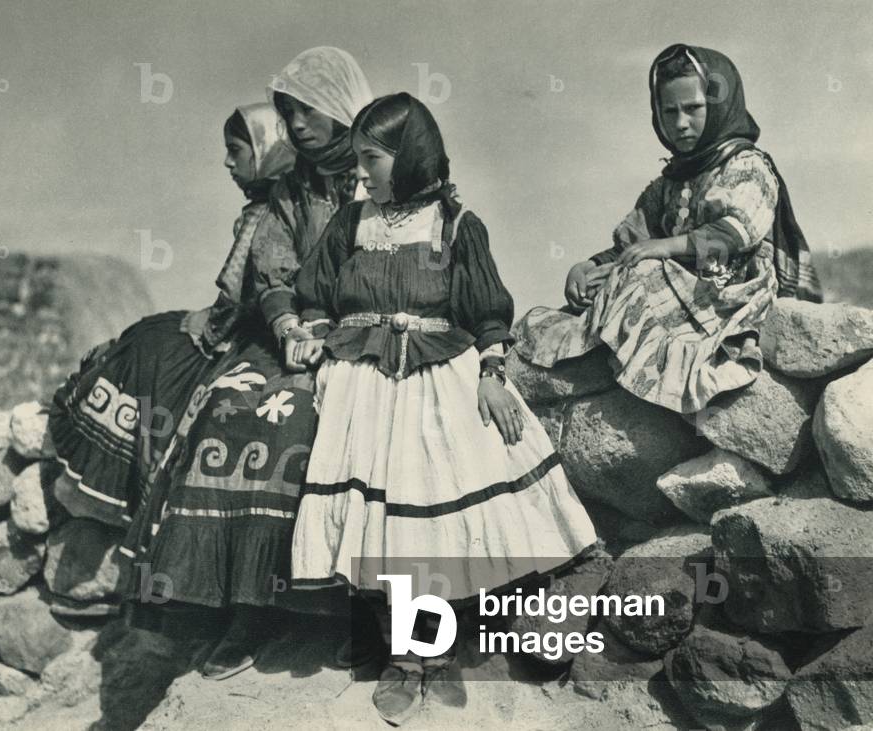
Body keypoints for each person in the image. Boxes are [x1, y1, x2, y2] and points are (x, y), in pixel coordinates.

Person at [284, 92, 598, 725]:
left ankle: (436, 652)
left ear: (410, 156)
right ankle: (400, 655)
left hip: (438, 376)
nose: (362, 171)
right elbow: (314, 294)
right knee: (374, 525)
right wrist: (318, 347)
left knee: (436, 518)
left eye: (372, 158)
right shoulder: (350, 224)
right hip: (363, 382)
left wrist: (491, 374)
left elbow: (485, 311)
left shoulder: (457, 225)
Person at [124, 46, 374, 681]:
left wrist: (338, 325)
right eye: (287, 115)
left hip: (365, 335)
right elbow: (272, 261)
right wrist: (288, 320)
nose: (297, 127)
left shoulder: (381, 174)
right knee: (228, 409)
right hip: (292, 335)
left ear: (341, 106)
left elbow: (396, 261)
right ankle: (247, 607)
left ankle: (349, 607)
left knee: (306, 424)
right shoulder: (290, 191)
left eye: (307, 111)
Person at [518, 44, 822, 414]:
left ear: (719, 104)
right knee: (626, 272)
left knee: (643, 271)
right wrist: (587, 267)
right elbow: (633, 243)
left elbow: (736, 234)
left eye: (693, 108)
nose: (680, 123)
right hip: (679, 287)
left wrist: (665, 247)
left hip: (731, 292)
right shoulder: (668, 184)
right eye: (669, 111)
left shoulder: (747, 165)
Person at [48, 102, 295, 531]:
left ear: (264, 150)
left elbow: (238, 303)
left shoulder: (274, 212)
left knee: (149, 342)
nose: (226, 162)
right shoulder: (279, 204)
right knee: (151, 333)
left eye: (236, 150)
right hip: (250, 328)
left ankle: (124, 485)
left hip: (251, 337)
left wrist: (205, 326)